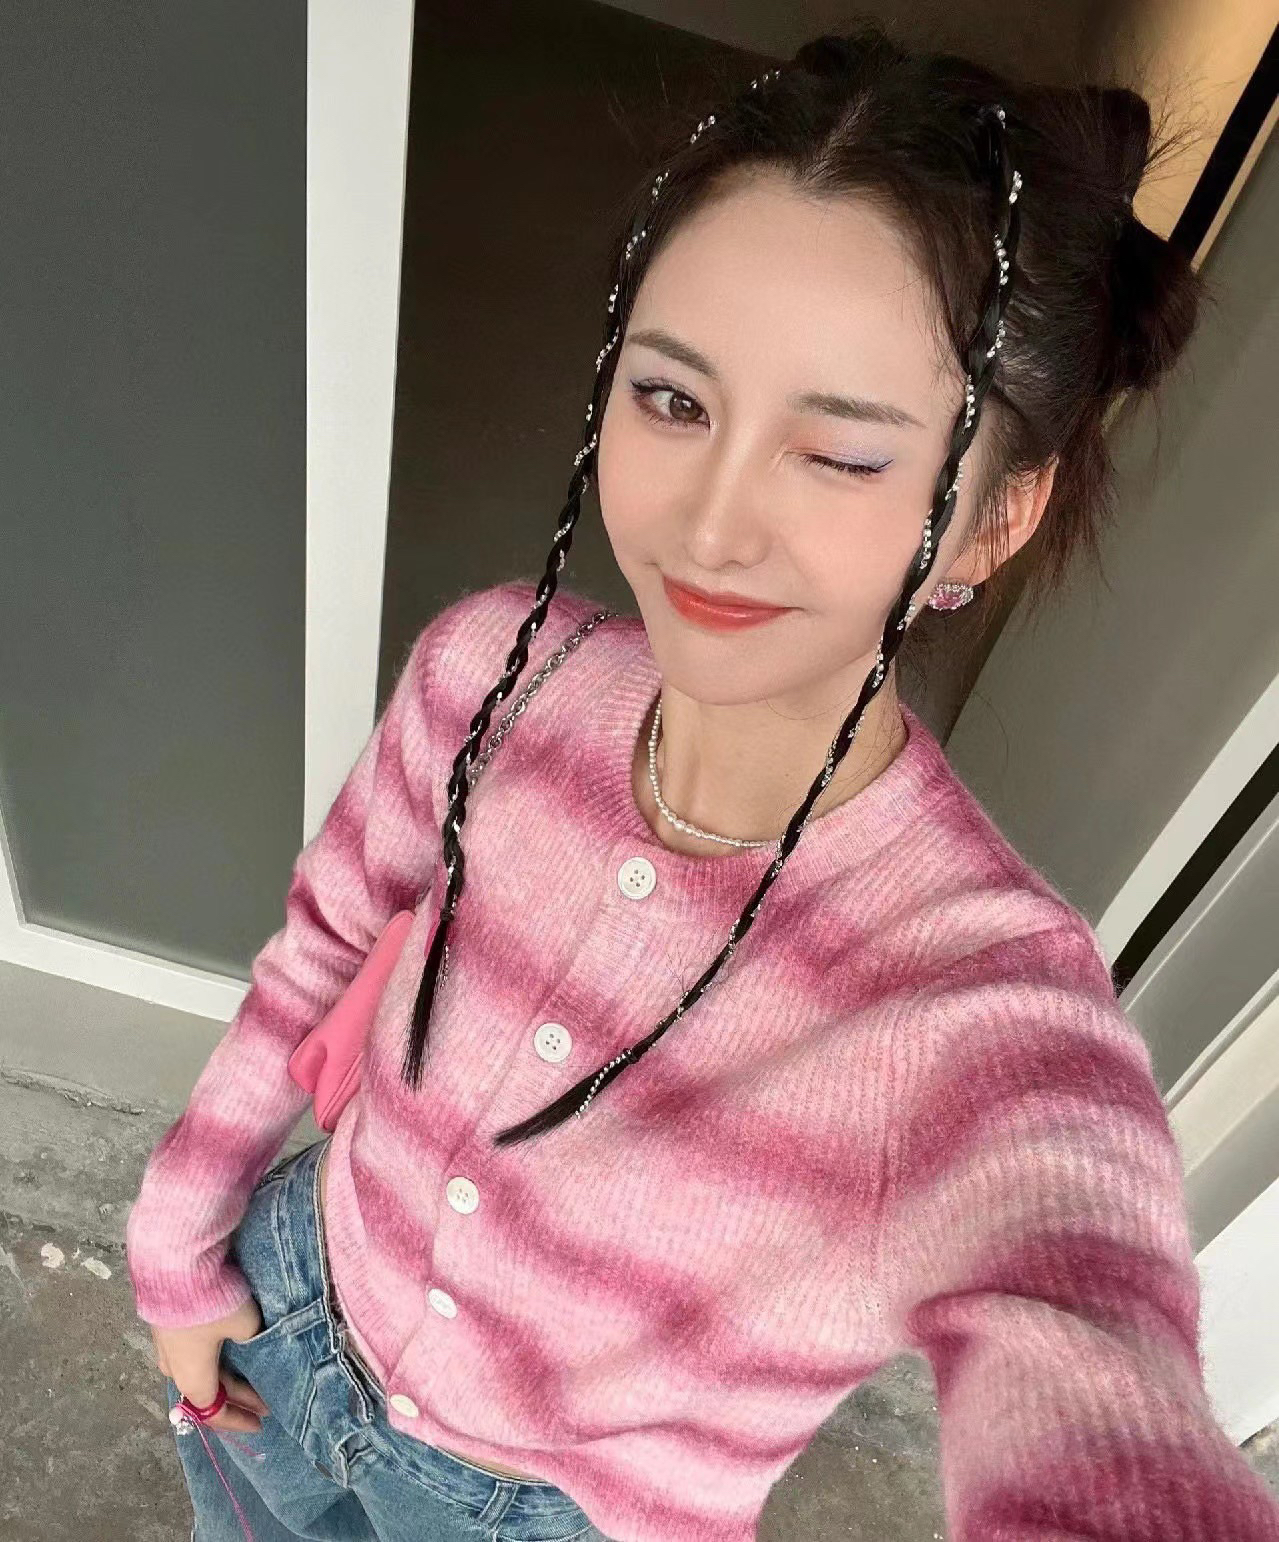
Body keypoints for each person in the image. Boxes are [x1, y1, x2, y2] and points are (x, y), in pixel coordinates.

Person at [124, 22, 1279, 1542]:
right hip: (274, 1338)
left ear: (994, 518)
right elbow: (322, 949)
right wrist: (179, 1243)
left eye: (841, 455)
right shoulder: (487, 672)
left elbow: (1087, 1339)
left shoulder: (980, 1016)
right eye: (673, 401)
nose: (711, 526)